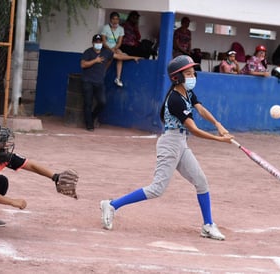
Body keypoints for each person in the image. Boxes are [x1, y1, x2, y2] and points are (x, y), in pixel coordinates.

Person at [100, 55, 234, 240]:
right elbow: (193, 129)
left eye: (193, 72)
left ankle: (208, 225)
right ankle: (112, 204)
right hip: (170, 144)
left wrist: (218, 124)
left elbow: (200, 109)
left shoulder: (187, 93)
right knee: (157, 189)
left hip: (181, 144)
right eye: (188, 73)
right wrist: (219, 140)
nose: (192, 76)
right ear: (176, 77)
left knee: (201, 182)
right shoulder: (175, 100)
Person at [0, 122, 74, 227]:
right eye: (1, 142)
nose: (5, 144)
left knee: (1, 182)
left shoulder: (0, 156)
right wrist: (12, 202)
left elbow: (30, 165)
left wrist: (55, 177)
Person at [80, 34, 141, 131]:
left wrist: (133, 57)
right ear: (93, 43)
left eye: (100, 42)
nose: (98, 43)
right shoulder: (88, 52)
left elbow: (119, 57)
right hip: (87, 81)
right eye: (96, 42)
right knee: (88, 103)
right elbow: (83, 65)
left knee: (102, 102)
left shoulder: (106, 52)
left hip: (99, 82)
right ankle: (89, 124)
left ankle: (91, 117)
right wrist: (95, 60)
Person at [101, 11, 127, 87]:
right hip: (106, 48)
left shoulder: (121, 29)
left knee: (120, 56)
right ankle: (101, 75)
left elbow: (119, 43)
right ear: (110, 20)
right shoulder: (105, 28)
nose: (115, 21)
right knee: (110, 59)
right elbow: (104, 42)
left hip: (115, 48)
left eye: (117, 19)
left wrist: (114, 48)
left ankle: (118, 78)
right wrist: (110, 49)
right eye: (114, 19)